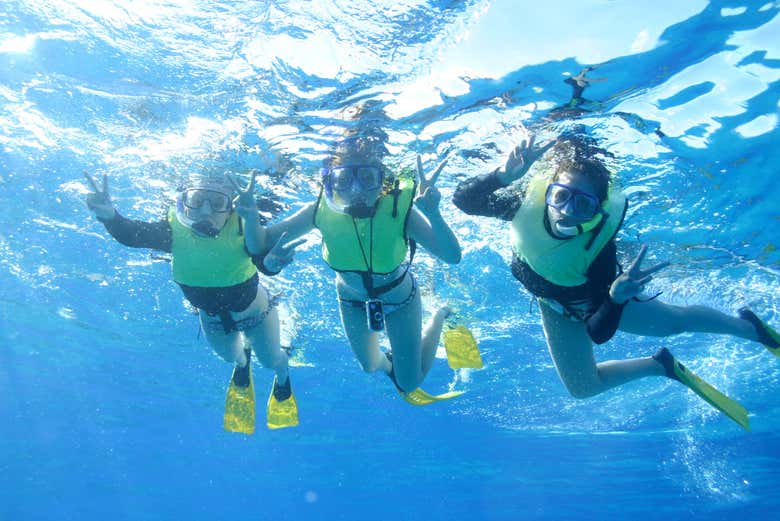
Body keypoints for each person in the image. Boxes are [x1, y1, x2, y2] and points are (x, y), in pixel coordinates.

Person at [452, 134, 779, 425]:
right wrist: (503, 176)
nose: (566, 211)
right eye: (561, 197)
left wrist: (616, 298)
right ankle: (660, 366)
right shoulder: (524, 207)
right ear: (548, 192)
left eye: (582, 205)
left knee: (674, 322)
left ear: (596, 211)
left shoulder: (598, 252)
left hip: (597, 302)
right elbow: (465, 201)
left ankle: (752, 329)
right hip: (554, 306)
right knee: (582, 388)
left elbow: (598, 331)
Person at [84, 171, 302, 430]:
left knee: (270, 361)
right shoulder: (172, 233)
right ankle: (243, 361)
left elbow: (263, 260)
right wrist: (110, 217)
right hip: (212, 320)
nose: (205, 211)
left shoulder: (245, 223)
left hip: (257, 315)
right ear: (183, 204)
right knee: (229, 357)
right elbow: (133, 234)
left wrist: (284, 169)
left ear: (230, 208)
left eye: (217, 203)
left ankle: (283, 377)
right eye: (197, 201)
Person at [259, 134, 462, 398]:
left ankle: (439, 314)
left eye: (367, 179)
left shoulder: (401, 213)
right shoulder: (318, 211)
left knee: (409, 384)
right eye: (344, 180)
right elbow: (266, 238)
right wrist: (269, 259)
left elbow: (452, 256)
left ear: (383, 183)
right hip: (352, 300)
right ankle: (395, 359)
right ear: (330, 184)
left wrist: (433, 212)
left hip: (401, 299)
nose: (356, 191)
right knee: (369, 366)